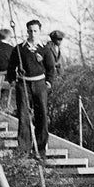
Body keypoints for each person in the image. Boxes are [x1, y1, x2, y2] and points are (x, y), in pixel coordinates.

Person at [8, 19, 56, 159]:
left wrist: (49, 82)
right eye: (30, 31)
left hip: (39, 85)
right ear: (27, 31)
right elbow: (11, 66)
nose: (32, 34)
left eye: (35, 31)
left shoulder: (45, 49)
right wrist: (12, 80)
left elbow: (51, 68)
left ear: (39, 32)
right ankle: (23, 150)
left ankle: (40, 150)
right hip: (23, 85)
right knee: (23, 116)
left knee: (42, 116)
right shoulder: (19, 49)